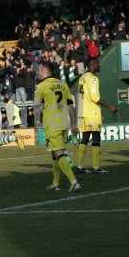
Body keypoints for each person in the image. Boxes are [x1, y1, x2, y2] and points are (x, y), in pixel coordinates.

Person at [34, 63, 81, 192]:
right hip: (64, 123)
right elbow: (71, 106)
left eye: (39, 70)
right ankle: (55, 183)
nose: (38, 72)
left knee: (58, 153)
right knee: (55, 154)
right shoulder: (63, 84)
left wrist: (36, 123)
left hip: (52, 124)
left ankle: (74, 182)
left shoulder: (41, 86)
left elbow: (36, 107)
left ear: (44, 71)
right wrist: (74, 123)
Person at [75, 59, 118, 174]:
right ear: (92, 65)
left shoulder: (82, 77)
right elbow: (95, 97)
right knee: (96, 138)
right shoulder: (93, 78)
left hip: (83, 112)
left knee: (84, 138)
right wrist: (110, 107)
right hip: (92, 113)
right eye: (97, 64)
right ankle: (96, 167)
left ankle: (79, 166)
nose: (99, 65)